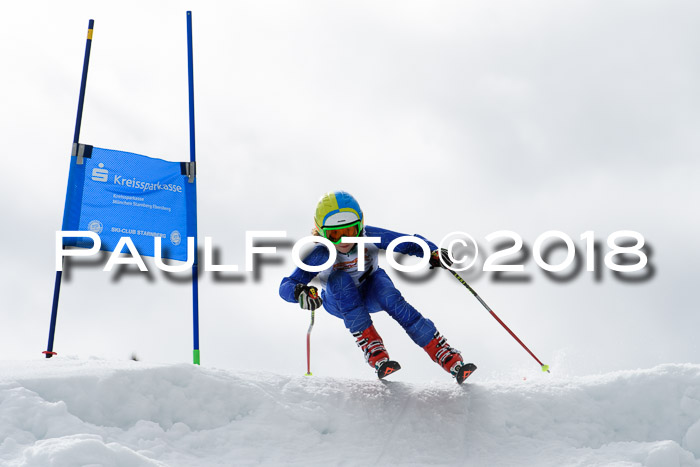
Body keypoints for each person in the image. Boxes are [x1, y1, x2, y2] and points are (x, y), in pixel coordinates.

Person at [279, 191, 476, 383]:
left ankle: (443, 352)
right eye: (334, 235)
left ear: (360, 226)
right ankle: (372, 347)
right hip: (338, 301)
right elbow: (287, 284)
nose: (344, 241)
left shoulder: (370, 236)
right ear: (322, 233)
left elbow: (408, 243)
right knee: (339, 279)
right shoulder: (320, 254)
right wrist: (300, 293)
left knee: (385, 289)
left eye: (349, 232)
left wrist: (432, 251)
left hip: (370, 292)